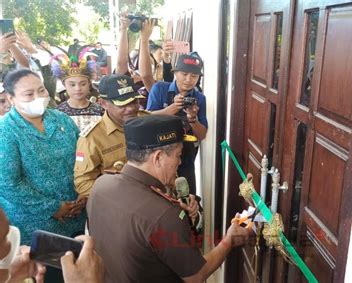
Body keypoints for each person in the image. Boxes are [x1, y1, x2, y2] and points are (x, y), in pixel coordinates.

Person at [87, 115, 252, 282]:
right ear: (158, 157)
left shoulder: (100, 185)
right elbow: (196, 276)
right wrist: (229, 240)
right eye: (178, 155)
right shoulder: (164, 215)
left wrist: (184, 218)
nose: (180, 162)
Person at [0, 69, 86, 245]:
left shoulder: (62, 119)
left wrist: (84, 191)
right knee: (45, 271)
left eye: (41, 90)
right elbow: (8, 184)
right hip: (35, 225)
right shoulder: (6, 131)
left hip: (77, 211)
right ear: (11, 98)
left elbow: (82, 156)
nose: (38, 97)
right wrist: (54, 208)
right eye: (28, 94)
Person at [73, 74, 145, 197]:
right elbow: (83, 183)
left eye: (134, 101)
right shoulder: (91, 139)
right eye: (122, 104)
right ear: (103, 103)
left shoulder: (147, 120)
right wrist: (116, 196)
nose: (131, 109)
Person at [146, 53, 208, 195]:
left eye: (194, 76)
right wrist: (172, 109)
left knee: (187, 195)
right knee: (160, 196)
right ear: (175, 73)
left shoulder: (199, 98)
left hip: (186, 156)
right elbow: (147, 120)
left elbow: (202, 135)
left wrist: (193, 118)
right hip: (159, 155)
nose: (188, 80)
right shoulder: (159, 89)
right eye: (184, 74)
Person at [52, 53, 104, 131]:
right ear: (64, 85)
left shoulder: (100, 110)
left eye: (83, 84)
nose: (78, 88)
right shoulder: (58, 113)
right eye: (72, 85)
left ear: (89, 83)